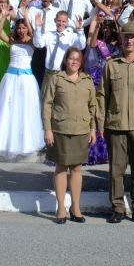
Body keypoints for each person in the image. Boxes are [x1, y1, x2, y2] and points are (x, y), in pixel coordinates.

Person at [96, 20, 134, 225]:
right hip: (116, 123)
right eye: (126, 36)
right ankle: (117, 208)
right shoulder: (111, 65)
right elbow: (102, 96)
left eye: (133, 37)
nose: (129, 40)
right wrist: (101, 123)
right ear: (121, 38)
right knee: (116, 169)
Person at [42, 47, 97, 224]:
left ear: (81, 63)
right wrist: (47, 129)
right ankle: (61, 208)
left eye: (77, 59)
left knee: (76, 168)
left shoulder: (87, 80)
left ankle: (75, 207)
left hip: (81, 129)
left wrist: (93, 129)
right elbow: (47, 104)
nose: (74, 62)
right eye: (71, 58)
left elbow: (93, 106)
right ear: (65, 60)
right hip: (60, 129)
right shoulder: (56, 78)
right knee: (61, 167)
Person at [0, 3, 45, 158]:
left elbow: (33, 33)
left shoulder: (31, 42)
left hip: (26, 79)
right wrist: (3, 16)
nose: (21, 30)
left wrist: (26, 17)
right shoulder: (12, 40)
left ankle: (25, 142)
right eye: (19, 28)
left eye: (23, 28)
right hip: (10, 77)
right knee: (8, 109)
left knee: (25, 109)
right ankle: (5, 141)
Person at [83, 15, 119, 164]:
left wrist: (116, 22)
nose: (107, 30)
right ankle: (89, 151)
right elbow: (92, 43)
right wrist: (97, 26)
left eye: (109, 28)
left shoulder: (115, 49)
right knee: (90, 117)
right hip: (92, 86)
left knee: (102, 119)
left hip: (106, 87)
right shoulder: (95, 45)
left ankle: (102, 151)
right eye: (105, 27)